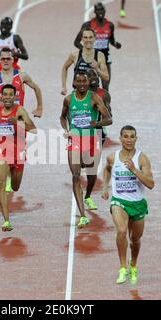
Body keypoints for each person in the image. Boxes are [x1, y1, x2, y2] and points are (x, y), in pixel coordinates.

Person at [101, 125, 155, 285]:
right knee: (122, 231)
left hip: (137, 204)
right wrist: (105, 186)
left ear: (136, 139)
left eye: (132, 136)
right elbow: (107, 169)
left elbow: (151, 184)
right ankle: (123, 267)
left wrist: (134, 170)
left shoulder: (142, 159)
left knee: (135, 240)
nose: (129, 140)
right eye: (126, 136)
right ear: (120, 138)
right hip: (119, 201)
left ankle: (133, 265)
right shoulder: (113, 157)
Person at [60, 72, 112, 227]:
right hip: (75, 139)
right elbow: (62, 117)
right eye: (79, 81)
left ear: (88, 83)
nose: (82, 84)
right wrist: (66, 129)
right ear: (74, 83)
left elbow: (109, 119)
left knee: (91, 173)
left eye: (84, 81)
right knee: (76, 175)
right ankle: (83, 215)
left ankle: (88, 194)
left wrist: (95, 124)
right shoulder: (69, 99)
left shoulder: (95, 98)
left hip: (91, 140)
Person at [0, 47, 43, 192]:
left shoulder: (21, 76)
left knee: (18, 152)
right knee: (4, 149)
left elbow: (37, 88)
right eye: (3, 58)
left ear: (14, 60)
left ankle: (13, 173)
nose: (6, 61)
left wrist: (40, 108)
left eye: (9, 58)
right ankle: (5, 173)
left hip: (19, 122)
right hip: (5, 121)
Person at [0, 84, 37, 231]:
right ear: (1, 96)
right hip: (3, 150)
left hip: (18, 152)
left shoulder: (19, 110)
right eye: (4, 94)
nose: (7, 97)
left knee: (15, 186)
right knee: (0, 184)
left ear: (14, 96)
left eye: (10, 95)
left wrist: (19, 124)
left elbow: (34, 129)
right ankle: (6, 220)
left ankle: (10, 176)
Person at [74, 2, 122, 91]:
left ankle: (105, 105)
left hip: (105, 57)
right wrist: (85, 51)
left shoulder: (110, 25)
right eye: (98, 10)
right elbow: (76, 42)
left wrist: (116, 44)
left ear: (105, 11)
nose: (100, 12)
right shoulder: (87, 25)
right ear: (95, 11)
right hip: (92, 57)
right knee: (89, 85)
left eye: (102, 10)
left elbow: (111, 40)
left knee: (105, 85)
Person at [62, 27, 109, 96]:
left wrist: (97, 69)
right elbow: (64, 68)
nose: (88, 40)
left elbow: (107, 78)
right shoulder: (74, 55)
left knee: (106, 102)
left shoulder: (100, 56)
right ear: (82, 39)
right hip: (78, 94)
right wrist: (64, 86)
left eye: (90, 37)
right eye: (85, 37)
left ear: (94, 38)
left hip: (93, 94)